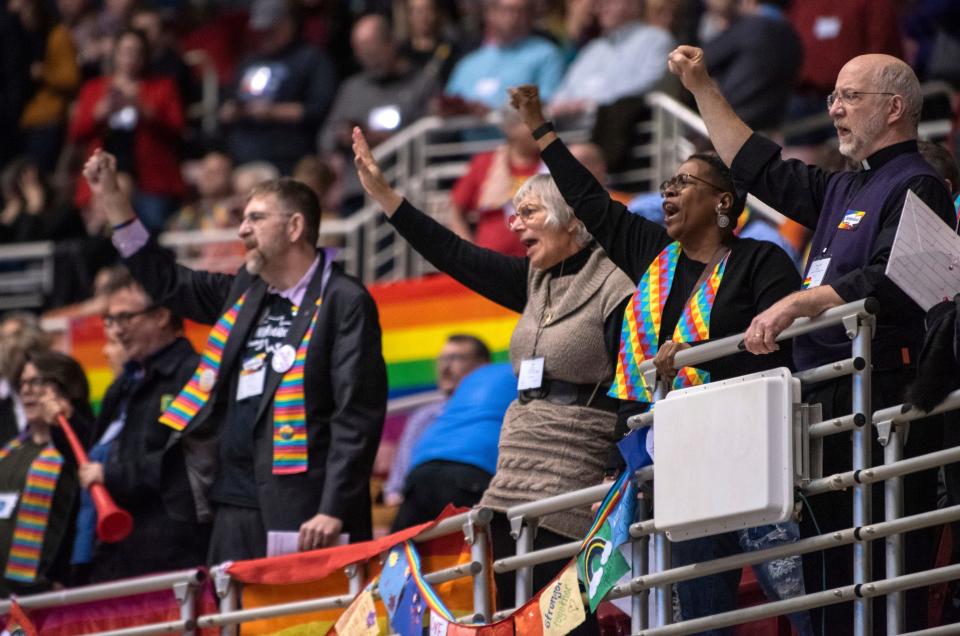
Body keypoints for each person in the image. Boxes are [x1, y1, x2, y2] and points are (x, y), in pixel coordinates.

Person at [667, 45, 957, 633]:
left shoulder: (919, 183)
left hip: (883, 404)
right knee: (827, 585)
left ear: (895, 106)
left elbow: (899, 281)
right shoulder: (844, 188)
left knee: (877, 580)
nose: (835, 110)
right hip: (823, 407)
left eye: (850, 97)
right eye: (833, 97)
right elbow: (757, 166)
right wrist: (701, 87)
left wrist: (804, 300)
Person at [510, 83, 810, 633]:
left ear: (724, 200)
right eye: (666, 183)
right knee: (696, 618)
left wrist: (699, 356)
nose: (668, 191)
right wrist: (541, 127)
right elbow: (591, 202)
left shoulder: (763, 262)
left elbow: (785, 350)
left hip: (751, 453)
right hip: (674, 465)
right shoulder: (652, 256)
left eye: (683, 182)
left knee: (799, 601)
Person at [354, 126, 634, 631]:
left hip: (577, 467)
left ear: (571, 218)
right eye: (514, 212)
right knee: (510, 606)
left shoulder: (618, 282)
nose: (514, 224)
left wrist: (618, 472)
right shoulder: (535, 280)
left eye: (529, 213)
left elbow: (631, 386)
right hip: (512, 471)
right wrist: (388, 199)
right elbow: (455, 256)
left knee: (563, 614)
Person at [82, 148, 388, 563]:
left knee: (298, 626)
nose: (242, 229)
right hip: (232, 498)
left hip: (305, 506)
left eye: (256, 218)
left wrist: (333, 508)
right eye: (243, 218)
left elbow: (356, 415)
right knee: (232, 624)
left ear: (296, 226)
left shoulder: (344, 300)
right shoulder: (245, 290)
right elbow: (167, 279)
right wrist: (115, 203)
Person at [76, 269, 210, 582]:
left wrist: (111, 474)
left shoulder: (192, 374)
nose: (115, 330)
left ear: (162, 315)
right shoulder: (124, 384)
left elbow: (183, 462)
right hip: (118, 551)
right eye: (110, 320)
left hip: (171, 555)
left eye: (125, 318)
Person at [319, 13, 438, 214]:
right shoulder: (352, 88)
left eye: (372, 51)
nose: (366, 59)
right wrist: (343, 135)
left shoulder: (422, 83)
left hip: (404, 188)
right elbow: (325, 138)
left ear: (391, 42)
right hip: (356, 191)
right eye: (361, 52)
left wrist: (384, 139)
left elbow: (434, 136)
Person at [69, 28, 186, 231]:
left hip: (150, 180)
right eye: (125, 51)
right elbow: (76, 133)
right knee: (101, 231)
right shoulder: (94, 88)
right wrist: (101, 111)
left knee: (145, 233)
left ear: (145, 56)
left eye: (136, 52)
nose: (130, 58)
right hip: (104, 173)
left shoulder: (162, 87)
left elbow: (177, 129)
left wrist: (143, 107)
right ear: (115, 54)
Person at [0, 351, 90, 596]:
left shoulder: (81, 447)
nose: (27, 390)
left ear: (66, 386)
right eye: (22, 384)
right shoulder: (9, 451)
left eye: (37, 381)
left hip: (45, 594)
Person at [391, 361, 516, 530]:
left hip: (423, 467)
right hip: (473, 468)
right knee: (478, 550)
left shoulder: (476, 377)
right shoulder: (533, 376)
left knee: (403, 551)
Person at [220, 0, 336, 175]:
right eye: (260, 30)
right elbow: (229, 103)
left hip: (287, 159)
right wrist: (231, 111)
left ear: (289, 23)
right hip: (242, 157)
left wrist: (272, 112)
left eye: (270, 28)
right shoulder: (249, 61)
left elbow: (318, 109)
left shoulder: (311, 59)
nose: (264, 35)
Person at [383, 334, 491, 507]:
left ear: (484, 366)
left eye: (456, 358)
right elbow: (396, 487)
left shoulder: (493, 413)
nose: (445, 368)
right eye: (441, 360)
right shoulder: (424, 417)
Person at [550, 0, 674, 116]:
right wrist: (562, 105)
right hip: (577, 129)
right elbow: (563, 92)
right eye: (600, 2)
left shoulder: (657, 40)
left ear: (635, 4)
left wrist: (590, 103)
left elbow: (649, 84)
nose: (601, 6)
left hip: (630, 129)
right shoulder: (593, 48)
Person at [447, 108, 543, 255]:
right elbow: (454, 210)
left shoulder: (553, 165)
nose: (541, 130)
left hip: (543, 264)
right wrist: (470, 253)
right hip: (492, 265)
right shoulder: (485, 163)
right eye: (533, 124)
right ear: (512, 129)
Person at [444, 0, 564, 112]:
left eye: (521, 11)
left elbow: (548, 101)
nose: (514, 17)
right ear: (490, 14)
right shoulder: (468, 63)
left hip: (519, 131)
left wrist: (493, 111)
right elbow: (448, 102)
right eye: (507, 10)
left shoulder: (546, 53)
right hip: (467, 133)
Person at [702, 0, 802, 131]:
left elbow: (702, 59)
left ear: (749, 2)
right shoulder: (791, 33)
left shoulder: (750, 26)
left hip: (737, 117)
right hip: (774, 119)